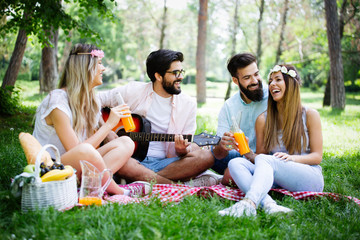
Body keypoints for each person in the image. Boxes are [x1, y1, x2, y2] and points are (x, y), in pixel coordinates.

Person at [33, 43, 148, 197]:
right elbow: (77, 151)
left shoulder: (90, 100)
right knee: (86, 150)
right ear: (85, 68)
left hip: (78, 168)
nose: (103, 68)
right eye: (99, 63)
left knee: (126, 143)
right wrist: (108, 126)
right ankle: (118, 191)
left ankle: (91, 186)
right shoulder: (57, 102)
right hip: (52, 168)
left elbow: (86, 153)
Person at [98, 49, 219, 186]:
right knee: (123, 163)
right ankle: (181, 187)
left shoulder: (188, 104)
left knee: (206, 156)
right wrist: (107, 131)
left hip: (167, 163)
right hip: (131, 159)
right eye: (175, 73)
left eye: (181, 72)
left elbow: (188, 148)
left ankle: (142, 179)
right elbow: (93, 100)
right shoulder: (133, 91)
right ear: (158, 76)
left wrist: (182, 149)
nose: (180, 77)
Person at [219, 64, 324, 217]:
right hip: (278, 177)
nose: (272, 84)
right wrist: (247, 152)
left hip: (309, 177)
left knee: (268, 160)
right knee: (235, 163)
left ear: (291, 83)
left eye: (278, 79)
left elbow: (317, 156)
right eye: (270, 81)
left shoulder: (309, 115)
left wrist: (292, 158)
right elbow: (261, 159)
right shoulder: (263, 119)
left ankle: (249, 203)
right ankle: (269, 205)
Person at [211, 53, 268, 185]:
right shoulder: (229, 106)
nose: (254, 81)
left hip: (267, 157)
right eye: (247, 77)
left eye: (256, 74)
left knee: (229, 175)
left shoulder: (272, 96)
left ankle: (229, 177)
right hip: (241, 156)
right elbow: (219, 154)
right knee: (207, 154)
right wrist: (223, 144)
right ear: (235, 81)